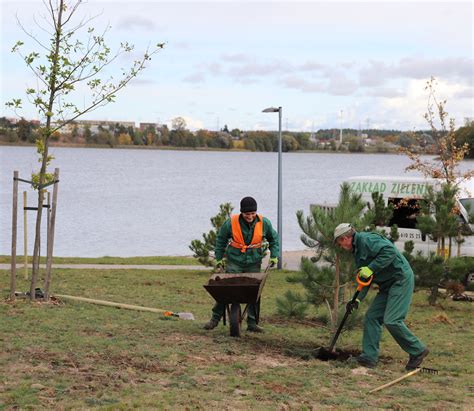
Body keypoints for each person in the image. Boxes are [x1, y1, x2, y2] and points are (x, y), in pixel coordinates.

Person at [333, 223, 429, 370]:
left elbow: (390, 252)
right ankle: (369, 357)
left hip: (400, 279)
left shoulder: (367, 240)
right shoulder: (357, 252)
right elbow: (364, 278)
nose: (340, 246)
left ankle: (418, 350)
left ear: (345, 238)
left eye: (339, 242)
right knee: (372, 317)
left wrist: (371, 268)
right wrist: (356, 299)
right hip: (386, 286)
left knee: (392, 320)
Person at [203, 196, 279, 333]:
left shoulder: (264, 223)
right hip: (235, 260)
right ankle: (215, 319)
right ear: (241, 212)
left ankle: (252, 322)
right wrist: (219, 258)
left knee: (254, 291)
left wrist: (274, 256)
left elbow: (274, 240)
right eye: (247, 214)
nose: (250, 216)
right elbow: (221, 239)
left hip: (254, 261)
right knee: (225, 290)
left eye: (252, 213)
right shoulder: (231, 223)